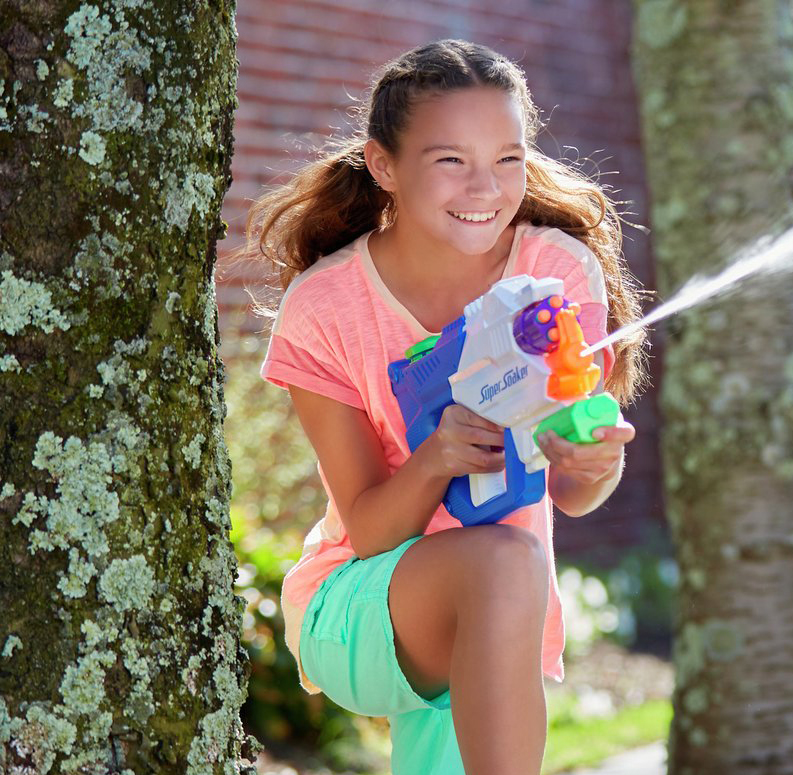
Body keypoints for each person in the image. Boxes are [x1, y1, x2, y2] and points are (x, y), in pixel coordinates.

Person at [240, 39, 649, 775]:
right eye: (451, 161)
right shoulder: (327, 306)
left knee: (503, 575)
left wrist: (596, 457)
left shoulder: (554, 273)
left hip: (495, 610)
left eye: (508, 159)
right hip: (362, 607)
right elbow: (366, 528)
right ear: (384, 165)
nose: (485, 188)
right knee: (505, 563)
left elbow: (578, 491)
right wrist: (437, 456)